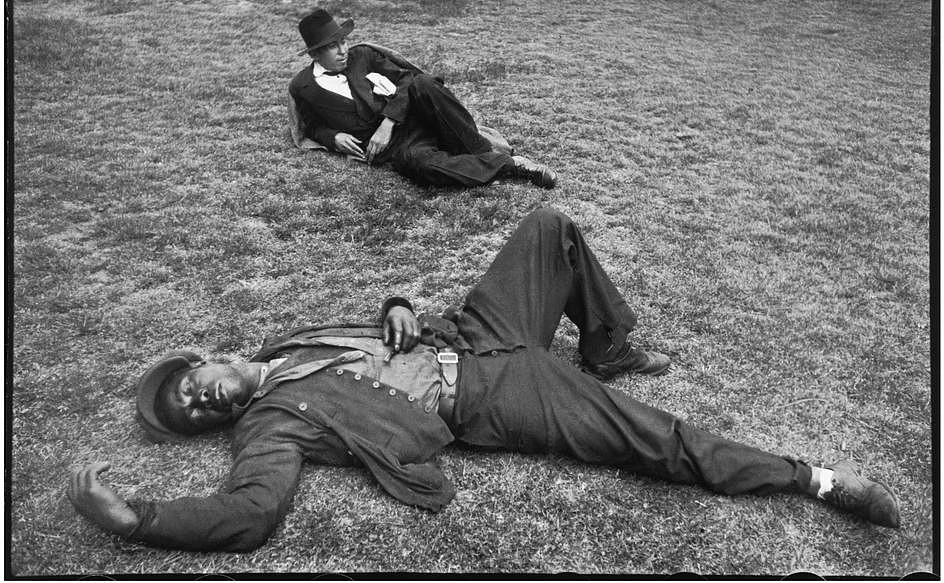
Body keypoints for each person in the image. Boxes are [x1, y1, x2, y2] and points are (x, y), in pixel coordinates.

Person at [68, 208, 900, 552]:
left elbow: (383, 321)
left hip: (478, 330)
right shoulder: (269, 425)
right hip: (491, 396)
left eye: (189, 382)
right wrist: (137, 518)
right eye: (191, 413)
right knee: (655, 440)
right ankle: (814, 478)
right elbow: (252, 510)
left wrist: (395, 303)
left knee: (547, 226)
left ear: (206, 353)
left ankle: (606, 343)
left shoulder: (285, 339)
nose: (200, 399)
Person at [287, 9, 557, 189]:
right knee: (423, 168)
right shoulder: (304, 87)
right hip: (397, 148)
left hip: (415, 115)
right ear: (315, 54)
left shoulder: (363, 56)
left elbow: (407, 79)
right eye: (333, 46)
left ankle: (481, 152)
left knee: (425, 83)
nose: (343, 50)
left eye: (343, 41)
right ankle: (512, 166)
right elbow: (310, 126)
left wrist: (388, 121)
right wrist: (332, 137)